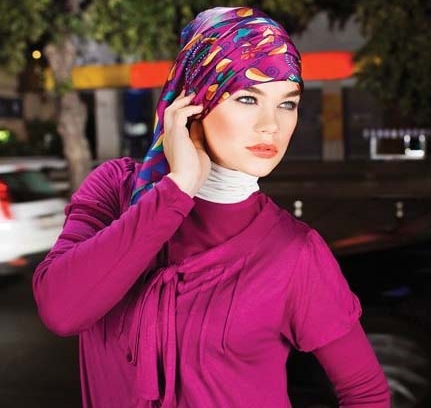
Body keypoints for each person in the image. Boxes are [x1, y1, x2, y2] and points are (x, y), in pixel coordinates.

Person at [33, 6, 390, 408]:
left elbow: (366, 392)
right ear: (193, 101)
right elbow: (62, 311)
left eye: (287, 104)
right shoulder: (115, 189)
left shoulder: (294, 252)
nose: (271, 125)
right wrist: (178, 188)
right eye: (248, 98)